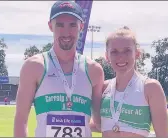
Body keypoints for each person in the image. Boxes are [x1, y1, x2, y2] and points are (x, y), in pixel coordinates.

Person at [14, 1, 104, 137]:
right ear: (50, 26)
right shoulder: (34, 67)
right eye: (60, 25)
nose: (66, 32)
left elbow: (99, 122)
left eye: (72, 25)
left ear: (81, 26)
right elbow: (21, 120)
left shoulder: (94, 70)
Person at [99, 27, 168, 137]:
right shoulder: (103, 88)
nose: (121, 57)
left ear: (137, 53)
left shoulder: (151, 88)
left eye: (127, 51)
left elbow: (163, 135)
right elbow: (94, 123)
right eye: (114, 52)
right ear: (107, 56)